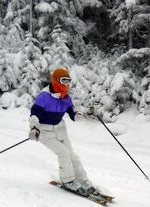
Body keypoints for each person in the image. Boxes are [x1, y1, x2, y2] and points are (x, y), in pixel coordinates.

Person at [28, 67, 98, 195]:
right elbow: (34, 113)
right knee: (64, 153)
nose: (67, 84)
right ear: (56, 80)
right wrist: (34, 127)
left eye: (68, 81)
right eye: (64, 81)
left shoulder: (66, 97)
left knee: (73, 156)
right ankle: (68, 181)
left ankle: (83, 180)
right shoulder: (44, 96)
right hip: (44, 132)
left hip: (61, 129)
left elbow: (73, 116)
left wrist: (87, 114)